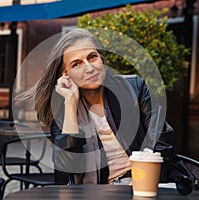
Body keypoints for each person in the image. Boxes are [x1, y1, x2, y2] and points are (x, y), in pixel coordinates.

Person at [34, 28, 173, 185]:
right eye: (77, 64)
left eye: (92, 57)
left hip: (142, 184)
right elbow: (66, 170)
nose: (89, 68)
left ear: (101, 59)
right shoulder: (64, 110)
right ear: (65, 75)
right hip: (96, 191)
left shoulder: (135, 88)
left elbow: (160, 138)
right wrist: (71, 104)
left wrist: (141, 178)